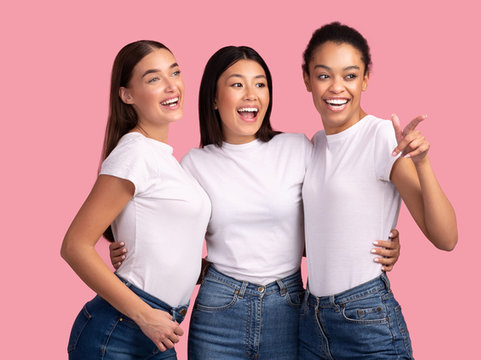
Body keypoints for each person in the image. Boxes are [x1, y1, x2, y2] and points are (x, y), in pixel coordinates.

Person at [109, 46, 401, 360]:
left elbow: (335, 210)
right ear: (214, 98)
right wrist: (135, 250)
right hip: (218, 310)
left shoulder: (298, 148)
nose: (251, 94)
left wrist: (378, 239)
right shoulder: (193, 164)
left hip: (287, 309)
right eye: (237, 84)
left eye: (260, 84)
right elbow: (173, 237)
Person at [298, 22, 459, 360]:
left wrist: (424, 163)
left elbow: (446, 238)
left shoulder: (382, 137)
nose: (336, 88)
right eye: (324, 75)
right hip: (311, 321)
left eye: (350, 75)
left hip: (365, 319)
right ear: (307, 79)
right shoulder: (313, 146)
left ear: (366, 79)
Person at [61, 40, 211, 359]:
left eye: (175, 72)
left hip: (157, 327)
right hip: (122, 329)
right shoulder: (135, 152)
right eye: (154, 78)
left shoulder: (164, 159)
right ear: (127, 95)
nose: (172, 86)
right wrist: (145, 316)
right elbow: (74, 246)